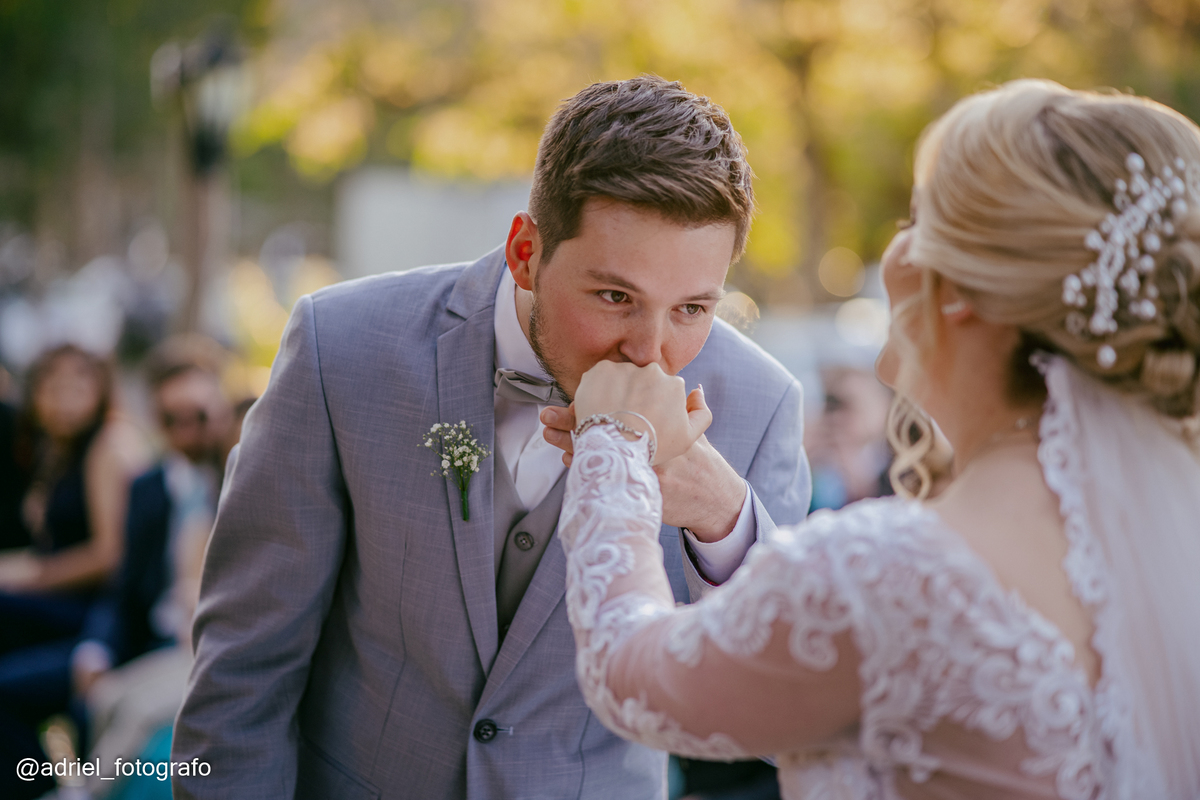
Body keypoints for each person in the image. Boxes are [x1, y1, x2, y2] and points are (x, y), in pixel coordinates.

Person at [557, 79, 1200, 799]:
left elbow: (628, 671)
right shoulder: (1172, 545)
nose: (895, 249)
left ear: (957, 289)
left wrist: (615, 439)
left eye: (917, 220)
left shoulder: (888, 574)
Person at [172, 75, 810, 800]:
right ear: (525, 250)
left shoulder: (759, 404)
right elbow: (245, 668)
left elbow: (782, 718)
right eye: (615, 297)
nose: (648, 352)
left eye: (692, 309)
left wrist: (722, 515)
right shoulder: (340, 347)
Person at [74, 337, 239, 799]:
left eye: (198, 415)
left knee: (142, 723)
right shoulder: (146, 487)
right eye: (171, 418)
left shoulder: (240, 485)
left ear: (220, 409)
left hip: (209, 646)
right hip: (152, 641)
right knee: (101, 699)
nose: (185, 430)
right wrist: (95, 649)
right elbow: (124, 587)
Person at [0, 344, 148, 800]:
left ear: (100, 391)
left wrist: (29, 575)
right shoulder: (55, 450)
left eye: (77, 387)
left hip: (102, 618)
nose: (63, 401)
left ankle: (40, 787)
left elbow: (109, 555)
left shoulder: (107, 446)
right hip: (68, 608)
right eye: (52, 388)